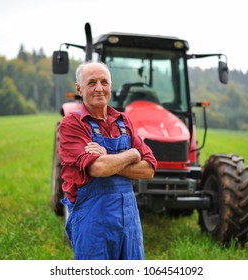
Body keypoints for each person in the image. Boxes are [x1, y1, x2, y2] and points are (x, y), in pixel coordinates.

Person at [58, 61, 157, 260]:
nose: (99, 88)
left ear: (111, 86)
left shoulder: (123, 121)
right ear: (79, 88)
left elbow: (149, 169)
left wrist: (109, 157)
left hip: (129, 222)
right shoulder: (72, 124)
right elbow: (98, 168)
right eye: (92, 82)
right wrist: (132, 155)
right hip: (93, 222)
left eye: (104, 82)